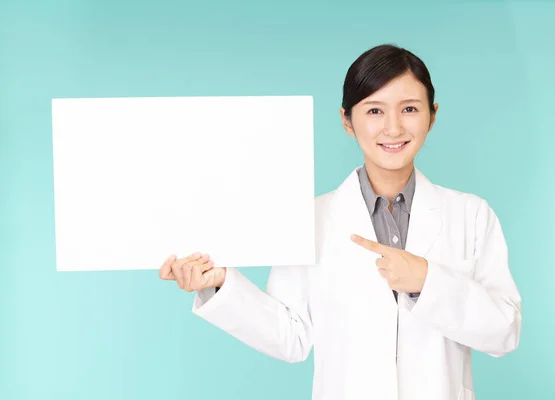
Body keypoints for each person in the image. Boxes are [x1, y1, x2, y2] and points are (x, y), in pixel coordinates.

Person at [159, 44, 522, 400]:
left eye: (409, 108)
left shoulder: (471, 215)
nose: (393, 128)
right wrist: (221, 284)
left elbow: (504, 332)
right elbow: (291, 336)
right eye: (375, 111)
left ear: (433, 114)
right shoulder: (310, 218)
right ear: (347, 121)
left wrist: (427, 281)